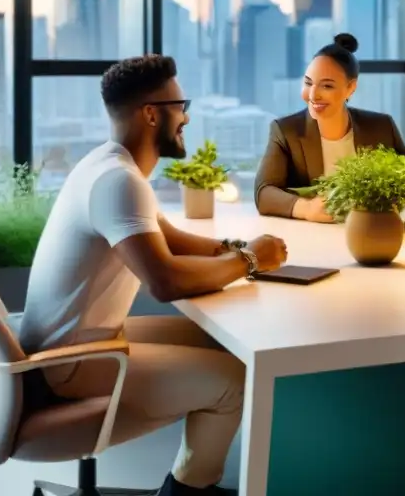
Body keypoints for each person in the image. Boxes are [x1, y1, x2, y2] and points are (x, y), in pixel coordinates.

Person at [19, 55, 288, 496]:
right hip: (70, 364)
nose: (186, 117)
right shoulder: (118, 182)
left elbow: (169, 237)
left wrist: (237, 248)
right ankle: (183, 491)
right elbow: (164, 281)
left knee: (223, 345)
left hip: (79, 341)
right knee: (234, 384)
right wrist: (251, 263)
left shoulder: (106, 164)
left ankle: (190, 479)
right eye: (180, 105)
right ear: (150, 114)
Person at [254, 32, 405, 221]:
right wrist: (306, 208)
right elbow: (264, 193)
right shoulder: (287, 131)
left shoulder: (381, 128)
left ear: (351, 88)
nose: (313, 95)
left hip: (372, 233)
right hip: (316, 238)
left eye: (326, 86)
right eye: (308, 83)